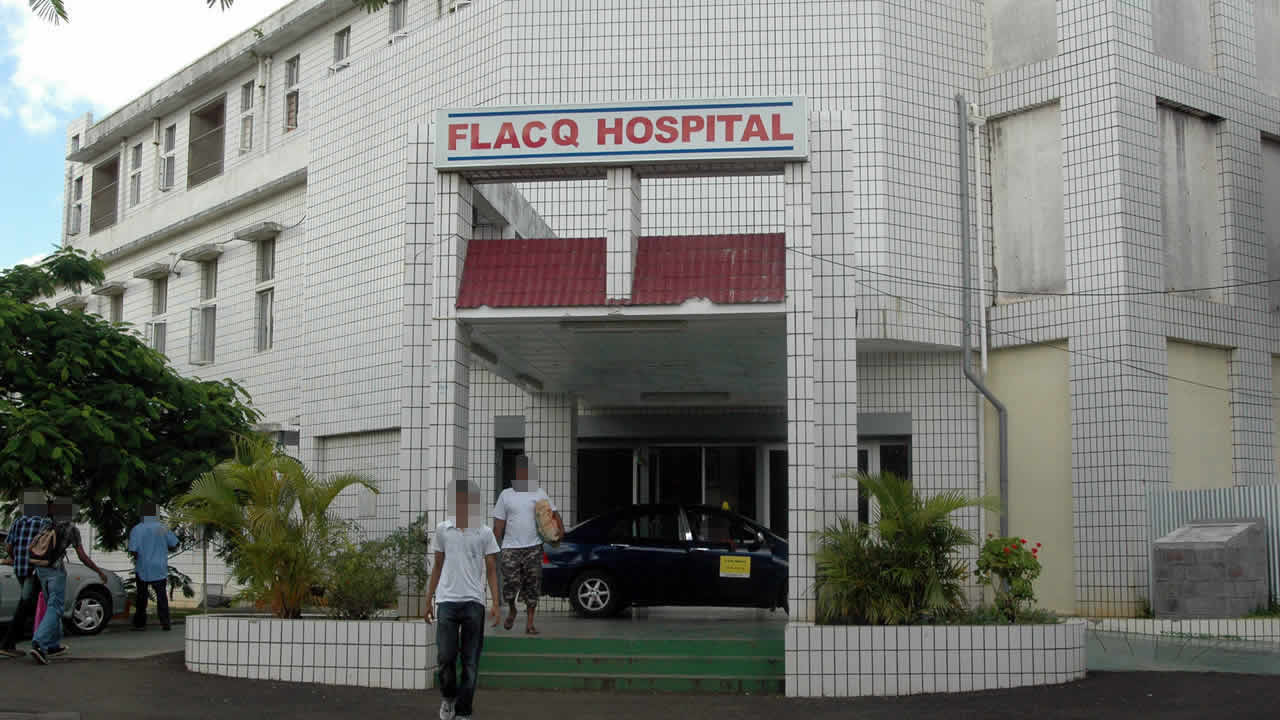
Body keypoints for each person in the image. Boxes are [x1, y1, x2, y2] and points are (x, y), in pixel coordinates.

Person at [424, 477, 500, 720]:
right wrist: (428, 600)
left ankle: (464, 711)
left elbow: (491, 569)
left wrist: (495, 603)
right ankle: (448, 698)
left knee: (470, 662)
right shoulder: (443, 530)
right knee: (445, 657)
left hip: (474, 603)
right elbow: (437, 566)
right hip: (447, 601)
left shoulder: (485, 532)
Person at [30, 497, 108, 665]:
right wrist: (98, 571)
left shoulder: (46, 524)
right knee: (56, 608)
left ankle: (53, 645)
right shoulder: (71, 529)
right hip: (55, 571)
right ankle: (39, 643)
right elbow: (82, 556)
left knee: (52, 606)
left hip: (41, 569)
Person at [490, 455, 561, 635]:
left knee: (532, 585)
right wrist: (491, 548)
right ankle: (512, 608)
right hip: (510, 548)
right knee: (510, 583)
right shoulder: (506, 495)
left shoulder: (539, 492)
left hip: (533, 548)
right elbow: (498, 525)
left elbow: (553, 513)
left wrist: (560, 531)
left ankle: (530, 623)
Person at [1, 492, 48, 658]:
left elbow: (8, 547)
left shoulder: (18, 521)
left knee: (30, 603)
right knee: (25, 604)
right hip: (34, 569)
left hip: (20, 568)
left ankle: (36, 639)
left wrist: (15, 558)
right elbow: (45, 547)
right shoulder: (43, 523)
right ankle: (8, 643)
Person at [128, 503, 179, 632]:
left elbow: (133, 550)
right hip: (159, 567)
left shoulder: (137, 529)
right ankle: (165, 622)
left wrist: (140, 556)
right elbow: (174, 543)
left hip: (143, 567)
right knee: (161, 596)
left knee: (142, 597)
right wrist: (162, 549)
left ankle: (140, 624)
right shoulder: (162, 528)